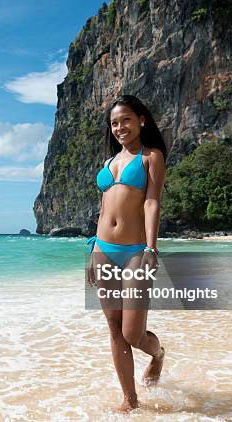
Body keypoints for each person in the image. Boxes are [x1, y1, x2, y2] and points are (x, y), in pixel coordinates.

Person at [86, 94, 167, 412]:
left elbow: (151, 202)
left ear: (141, 120)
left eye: (126, 120)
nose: (120, 127)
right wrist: (93, 249)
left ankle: (158, 354)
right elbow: (104, 208)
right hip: (103, 249)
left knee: (133, 333)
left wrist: (151, 246)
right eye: (114, 123)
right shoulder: (108, 164)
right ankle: (130, 399)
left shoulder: (151, 157)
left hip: (136, 251)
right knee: (113, 327)